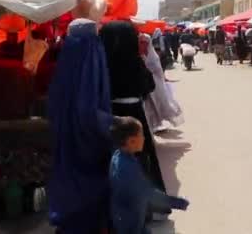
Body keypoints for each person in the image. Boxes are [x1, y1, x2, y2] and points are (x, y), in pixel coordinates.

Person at [47, 19, 113, 233]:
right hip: (88, 137)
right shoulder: (91, 54)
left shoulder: (67, 57)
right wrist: (110, 125)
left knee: (69, 181)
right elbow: (87, 109)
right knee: (88, 191)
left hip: (65, 133)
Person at [100, 21, 167, 195]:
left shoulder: (101, 64)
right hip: (135, 113)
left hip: (110, 114)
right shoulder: (136, 62)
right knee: (141, 156)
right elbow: (149, 86)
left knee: (112, 157)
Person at [110, 116, 189, 234]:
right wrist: (178, 203)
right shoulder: (127, 168)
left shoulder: (118, 157)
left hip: (124, 216)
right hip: (130, 222)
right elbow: (148, 193)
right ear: (131, 141)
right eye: (141, 135)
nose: (144, 138)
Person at [140, 34, 184, 133]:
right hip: (148, 78)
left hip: (150, 78)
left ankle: (153, 125)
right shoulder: (145, 42)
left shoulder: (146, 43)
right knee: (151, 103)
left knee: (152, 102)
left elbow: (155, 65)